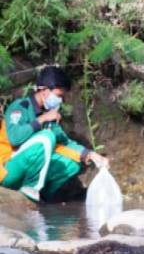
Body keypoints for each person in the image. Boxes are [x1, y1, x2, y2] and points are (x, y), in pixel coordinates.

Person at [0, 66, 108, 202]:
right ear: (45, 91)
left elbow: (64, 143)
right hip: (8, 168)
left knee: (72, 164)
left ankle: (46, 197)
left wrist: (90, 154)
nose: (60, 100)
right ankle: (31, 189)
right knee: (46, 138)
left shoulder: (49, 116)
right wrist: (41, 120)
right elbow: (14, 138)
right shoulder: (20, 107)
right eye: (59, 96)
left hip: (25, 171)